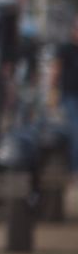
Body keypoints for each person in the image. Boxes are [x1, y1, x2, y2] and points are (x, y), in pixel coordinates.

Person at [54, 15, 78, 172]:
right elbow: (56, 71)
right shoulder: (66, 49)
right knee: (74, 132)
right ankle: (74, 170)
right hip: (70, 96)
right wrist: (53, 93)